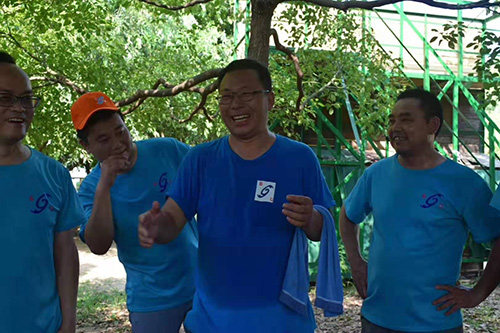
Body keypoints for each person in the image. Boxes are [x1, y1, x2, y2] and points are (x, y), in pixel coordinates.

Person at [138, 58, 340, 332]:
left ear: (269, 100)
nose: (235, 105)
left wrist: (310, 217)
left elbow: (321, 229)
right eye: (227, 97)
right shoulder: (200, 159)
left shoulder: (300, 157)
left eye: (246, 94)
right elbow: (172, 222)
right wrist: (155, 226)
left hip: (283, 321)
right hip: (213, 321)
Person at [340, 88, 500, 332]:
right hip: (377, 319)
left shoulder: (465, 183)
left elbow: (497, 237)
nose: (395, 128)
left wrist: (477, 294)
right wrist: (356, 262)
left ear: (432, 125)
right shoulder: (376, 174)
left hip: (437, 323)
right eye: (392, 120)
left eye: (406, 119)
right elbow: (347, 216)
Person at [71, 91, 198, 333]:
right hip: (150, 298)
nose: (119, 145)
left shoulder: (168, 150)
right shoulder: (90, 188)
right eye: (104, 140)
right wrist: (105, 185)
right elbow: (98, 245)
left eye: (121, 132)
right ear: (86, 146)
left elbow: (210, 175)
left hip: (200, 283)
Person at [0, 51, 83, 332]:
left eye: (26, 99)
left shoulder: (55, 175)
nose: (19, 108)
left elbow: (65, 252)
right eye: (5, 98)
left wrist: (68, 323)